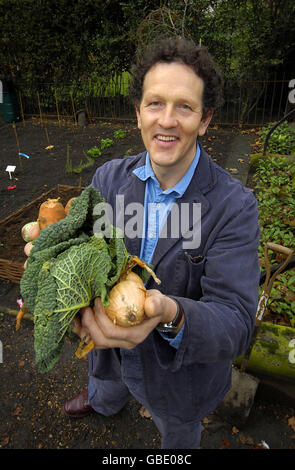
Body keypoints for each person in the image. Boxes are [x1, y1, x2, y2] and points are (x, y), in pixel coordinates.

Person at [63, 37, 260, 449]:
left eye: (184, 107)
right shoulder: (107, 180)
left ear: (204, 120)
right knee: (107, 384)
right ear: (137, 114)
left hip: (178, 380)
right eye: (155, 103)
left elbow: (236, 326)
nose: (167, 120)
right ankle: (103, 402)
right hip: (108, 350)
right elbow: (87, 255)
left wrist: (169, 312)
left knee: (177, 434)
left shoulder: (233, 206)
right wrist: (55, 271)